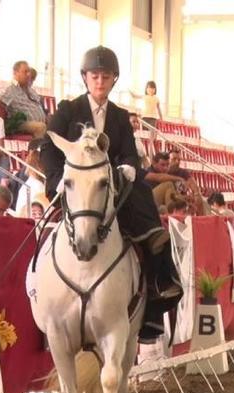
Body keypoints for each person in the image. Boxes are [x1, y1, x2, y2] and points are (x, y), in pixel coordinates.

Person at [42, 45, 181, 343]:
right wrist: (56, 181)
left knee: (144, 198)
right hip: (73, 186)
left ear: (113, 79)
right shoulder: (68, 110)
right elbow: (49, 147)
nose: (100, 81)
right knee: (41, 236)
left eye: (106, 76)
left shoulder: (119, 116)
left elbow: (129, 154)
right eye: (95, 76)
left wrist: (130, 167)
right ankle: (41, 300)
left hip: (111, 186)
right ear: (85, 78)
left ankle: (158, 286)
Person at [0, 61, 46, 137]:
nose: (29, 74)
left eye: (29, 71)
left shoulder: (31, 90)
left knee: (58, 123)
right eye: (25, 72)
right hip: (21, 123)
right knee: (40, 127)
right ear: (15, 73)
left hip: (40, 122)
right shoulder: (9, 89)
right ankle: (36, 148)